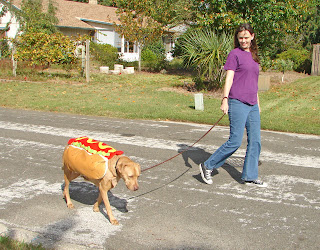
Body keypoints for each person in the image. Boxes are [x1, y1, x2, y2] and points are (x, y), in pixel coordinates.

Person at [199, 23, 267, 187]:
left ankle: (250, 176)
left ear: (252, 36)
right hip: (237, 101)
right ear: (237, 39)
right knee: (235, 141)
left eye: (246, 37)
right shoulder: (234, 54)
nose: (243, 40)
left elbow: (253, 82)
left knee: (255, 141)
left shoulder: (254, 55)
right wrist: (225, 98)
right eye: (240, 38)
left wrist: (257, 102)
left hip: (252, 104)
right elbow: (229, 78)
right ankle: (208, 165)